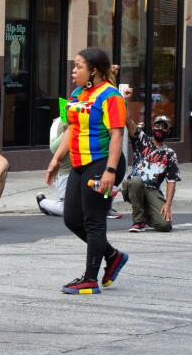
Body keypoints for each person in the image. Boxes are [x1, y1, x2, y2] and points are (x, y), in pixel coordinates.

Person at [45, 47, 129, 295]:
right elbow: (70, 129)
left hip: (103, 163)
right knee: (72, 219)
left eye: (79, 66)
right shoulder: (76, 94)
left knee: (93, 221)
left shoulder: (111, 96)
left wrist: (110, 172)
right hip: (79, 164)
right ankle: (113, 256)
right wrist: (55, 161)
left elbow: (117, 135)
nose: (73, 70)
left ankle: (90, 278)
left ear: (93, 70)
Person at [122, 113, 180, 233]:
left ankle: (147, 214)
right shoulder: (142, 139)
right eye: (157, 125)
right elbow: (129, 122)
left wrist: (168, 205)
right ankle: (138, 221)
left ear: (168, 131)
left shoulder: (170, 154)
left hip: (152, 190)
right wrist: (123, 99)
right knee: (136, 181)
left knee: (165, 226)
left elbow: (171, 181)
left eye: (164, 127)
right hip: (134, 185)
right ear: (153, 127)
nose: (160, 129)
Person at [36, 118, 70, 217]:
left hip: (86, 170)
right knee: (68, 210)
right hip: (66, 172)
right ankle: (43, 202)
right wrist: (67, 131)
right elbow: (54, 148)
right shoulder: (58, 122)